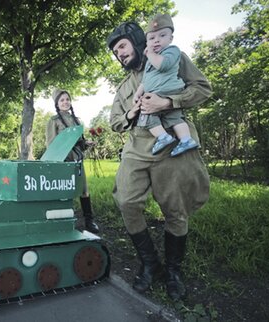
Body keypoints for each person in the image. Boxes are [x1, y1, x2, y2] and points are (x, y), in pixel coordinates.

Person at [106, 19, 211, 300]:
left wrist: (168, 103)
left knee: (176, 210)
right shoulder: (124, 87)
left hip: (172, 144)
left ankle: (173, 271)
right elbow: (116, 122)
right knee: (127, 200)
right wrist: (131, 112)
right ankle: (150, 264)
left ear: (137, 42)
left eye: (123, 47)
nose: (120, 54)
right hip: (137, 147)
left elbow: (202, 88)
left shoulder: (172, 56)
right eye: (116, 52)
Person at [132, 14, 198, 156]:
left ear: (170, 38)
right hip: (161, 91)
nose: (156, 41)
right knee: (174, 118)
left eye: (162, 36)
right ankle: (186, 139)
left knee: (146, 113)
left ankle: (163, 137)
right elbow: (146, 79)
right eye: (151, 38)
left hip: (166, 90)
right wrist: (139, 92)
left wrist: (149, 53)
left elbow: (162, 65)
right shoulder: (150, 59)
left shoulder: (172, 51)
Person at [45, 89, 100, 234]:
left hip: (77, 160)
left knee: (84, 190)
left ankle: (89, 220)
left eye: (67, 99)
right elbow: (51, 143)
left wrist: (87, 143)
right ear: (57, 103)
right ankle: (63, 222)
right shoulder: (53, 121)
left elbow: (80, 142)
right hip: (63, 161)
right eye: (62, 100)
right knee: (64, 191)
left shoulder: (77, 120)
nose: (65, 102)